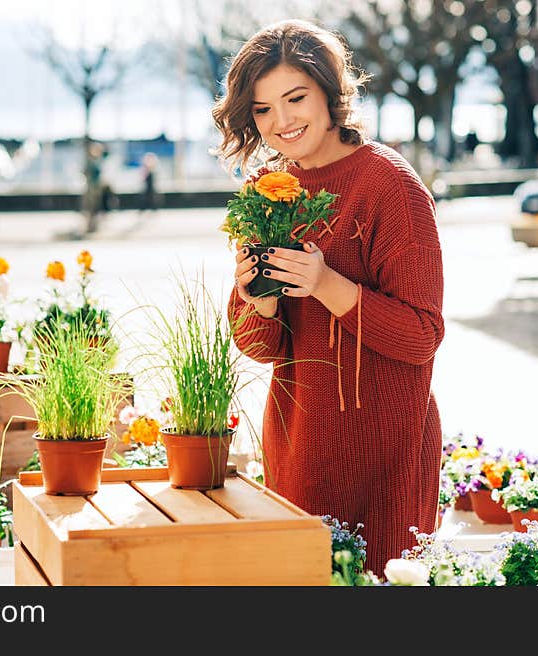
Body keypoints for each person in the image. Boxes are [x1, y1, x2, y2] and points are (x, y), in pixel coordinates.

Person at [212, 19, 445, 577]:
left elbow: (422, 337)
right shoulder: (265, 191)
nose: (282, 122)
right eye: (263, 110)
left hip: (385, 454)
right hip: (297, 443)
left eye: (296, 99)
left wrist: (324, 283)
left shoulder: (389, 184)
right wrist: (257, 298)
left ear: (330, 93)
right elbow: (259, 348)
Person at [139, 152, 160, 216]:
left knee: (151, 196)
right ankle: (144, 209)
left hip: (150, 183)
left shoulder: (152, 164)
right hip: (148, 183)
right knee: (147, 196)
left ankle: (152, 209)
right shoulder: (147, 164)